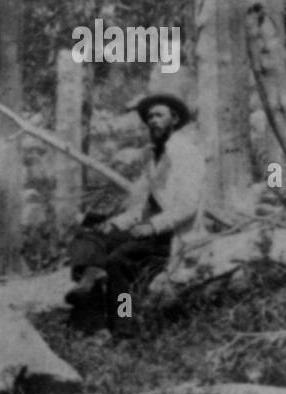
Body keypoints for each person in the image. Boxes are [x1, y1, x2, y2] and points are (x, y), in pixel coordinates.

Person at [65, 72, 204, 337]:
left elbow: (188, 206)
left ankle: (124, 327)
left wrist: (152, 227)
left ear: (174, 119)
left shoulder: (187, 154)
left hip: (173, 237)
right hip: (151, 232)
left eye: (159, 115)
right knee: (90, 236)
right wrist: (115, 223)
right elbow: (145, 206)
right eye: (150, 117)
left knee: (119, 261)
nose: (153, 121)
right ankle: (90, 290)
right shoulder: (154, 158)